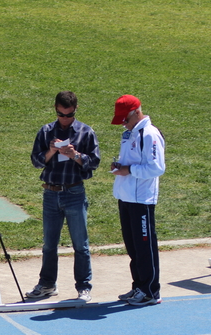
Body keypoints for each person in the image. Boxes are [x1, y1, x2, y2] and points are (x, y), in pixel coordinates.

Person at [26, 91, 100, 302]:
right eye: (60, 114)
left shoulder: (86, 132)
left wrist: (75, 155)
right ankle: (48, 284)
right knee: (49, 244)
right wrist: (50, 152)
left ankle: (84, 286)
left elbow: (94, 161)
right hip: (51, 193)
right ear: (56, 109)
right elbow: (36, 161)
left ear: (75, 111)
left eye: (68, 115)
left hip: (74, 192)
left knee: (80, 244)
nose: (64, 119)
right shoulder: (46, 131)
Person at [110, 95, 166, 306]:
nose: (122, 124)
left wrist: (128, 170)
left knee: (145, 248)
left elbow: (157, 168)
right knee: (133, 247)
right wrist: (119, 166)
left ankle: (151, 291)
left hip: (142, 199)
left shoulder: (149, 134)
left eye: (124, 119)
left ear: (136, 113)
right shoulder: (131, 133)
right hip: (126, 196)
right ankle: (138, 286)